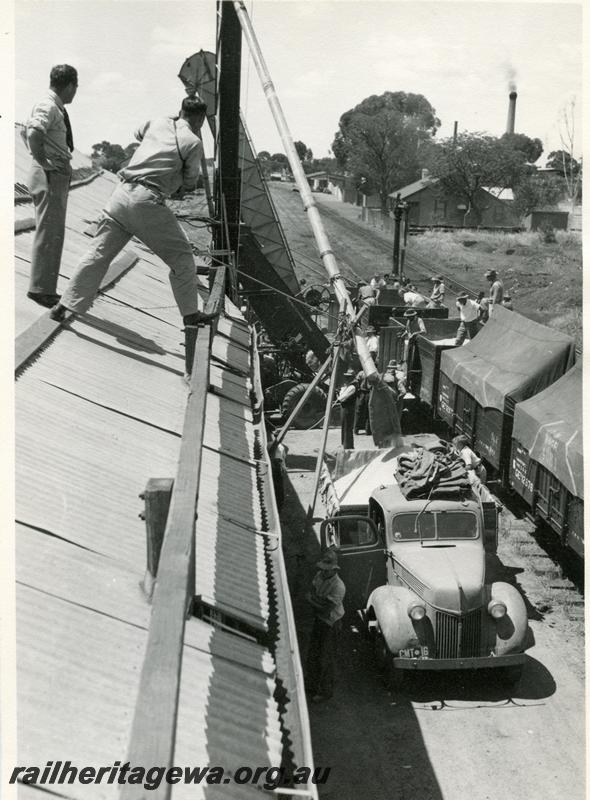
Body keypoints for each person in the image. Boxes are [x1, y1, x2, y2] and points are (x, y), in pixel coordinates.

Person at [50, 97, 218, 330]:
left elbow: (138, 133)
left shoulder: (159, 121)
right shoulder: (193, 141)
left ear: (180, 111)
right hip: (146, 202)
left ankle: (64, 305)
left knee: (98, 254)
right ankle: (190, 315)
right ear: (200, 119)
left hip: (120, 195)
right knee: (182, 260)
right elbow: (190, 181)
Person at [25, 64, 78, 307]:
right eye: (75, 87)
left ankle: (45, 286)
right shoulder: (49, 105)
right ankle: (40, 289)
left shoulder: (53, 106)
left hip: (51, 174)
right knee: (49, 231)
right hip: (49, 175)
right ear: (69, 85)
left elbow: (28, 133)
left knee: (52, 231)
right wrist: (43, 160)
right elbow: (33, 132)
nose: (75, 92)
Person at [305, 548, 346, 702]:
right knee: (313, 654)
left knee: (326, 659)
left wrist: (312, 600)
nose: (323, 572)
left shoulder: (338, 586)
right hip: (320, 620)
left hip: (331, 624)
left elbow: (325, 608)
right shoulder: (320, 576)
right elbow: (314, 593)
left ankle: (325, 692)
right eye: (322, 569)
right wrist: (316, 601)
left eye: (326, 570)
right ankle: (311, 686)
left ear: (334, 569)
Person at [337, 370, 360, 449]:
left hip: (348, 409)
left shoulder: (352, 387)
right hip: (345, 408)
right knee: (344, 426)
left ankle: (348, 446)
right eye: (346, 376)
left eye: (348, 377)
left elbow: (342, 398)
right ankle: (344, 444)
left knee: (347, 427)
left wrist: (341, 391)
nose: (346, 378)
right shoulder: (348, 386)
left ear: (352, 377)